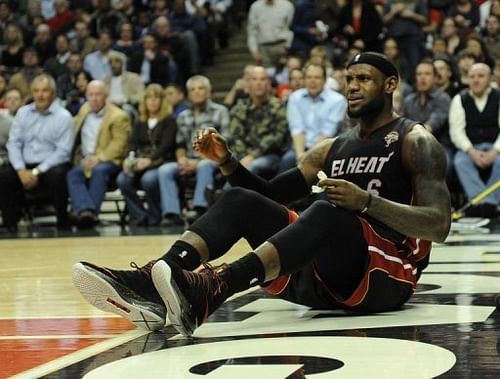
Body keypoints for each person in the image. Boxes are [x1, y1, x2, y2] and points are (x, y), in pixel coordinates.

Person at [72, 52, 451, 334]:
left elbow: (438, 225)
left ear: (389, 85)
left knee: (327, 210)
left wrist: (366, 202)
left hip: (386, 276)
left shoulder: (414, 140)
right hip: (323, 276)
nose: (352, 86)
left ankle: (216, 288)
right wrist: (228, 164)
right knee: (241, 200)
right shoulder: (332, 146)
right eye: (348, 79)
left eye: (363, 79)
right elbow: (270, 195)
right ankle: (154, 282)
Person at [0, 74, 75, 231]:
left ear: (53, 94)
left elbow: (63, 151)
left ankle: (62, 223)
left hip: (51, 165)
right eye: (36, 91)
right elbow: (14, 143)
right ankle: (10, 224)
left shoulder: (64, 116)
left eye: (45, 91)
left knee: (58, 175)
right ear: (32, 93)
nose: (40, 95)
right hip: (25, 165)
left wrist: (36, 171)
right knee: (5, 176)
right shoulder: (22, 113)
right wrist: (21, 170)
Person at [158, 75, 230, 226]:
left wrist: (198, 161)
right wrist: (182, 159)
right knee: (165, 170)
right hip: (189, 160)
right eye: (193, 89)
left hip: (214, 159)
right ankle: (172, 214)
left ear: (209, 92)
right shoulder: (183, 116)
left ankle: (200, 208)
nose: (197, 92)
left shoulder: (220, 111)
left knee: (205, 166)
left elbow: (224, 143)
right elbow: (179, 144)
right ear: (188, 94)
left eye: (201, 88)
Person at [66, 80, 131, 228]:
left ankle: (90, 214)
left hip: (110, 161)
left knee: (99, 171)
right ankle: (86, 211)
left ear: (106, 96)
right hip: (85, 160)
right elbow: (74, 125)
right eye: (90, 95)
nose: (94, 98)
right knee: (73, 173)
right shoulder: (84, 110)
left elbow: (119, 145)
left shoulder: (119, 116)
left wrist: (99, 158)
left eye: (98, 95)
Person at [116, 84, 177, 227]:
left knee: (148, 180)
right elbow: (132, 143)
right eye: (149, 97)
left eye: (156, 97)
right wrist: (128, 159)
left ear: (162, 100)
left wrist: (150, 160)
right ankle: (139, 216)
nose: (153, 101)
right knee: (122, 180)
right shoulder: (139, 121)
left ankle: (154, 217)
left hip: (160, 161)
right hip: (140, 160)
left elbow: (166, 145)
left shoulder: (169, 120)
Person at [449, 63, 500, 218]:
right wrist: (471, 151)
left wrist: (495, 151)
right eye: (472, 77)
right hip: (470, 148)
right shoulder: (460, 99)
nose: (476, 80)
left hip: (495, 146)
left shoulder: (498, 96)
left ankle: (486, 203)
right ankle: (488, 204)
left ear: (490, 78)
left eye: (480, 76)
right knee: (460, 162)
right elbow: (456, 131)